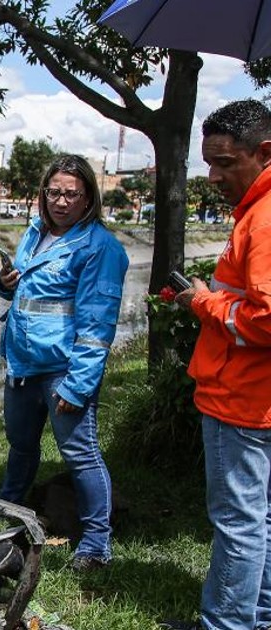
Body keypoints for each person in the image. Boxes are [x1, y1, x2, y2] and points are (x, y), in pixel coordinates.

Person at [160, 99, 271, 630]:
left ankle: (226, 624)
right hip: (256, 397)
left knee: (238, 522)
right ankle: (260, 616)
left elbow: (268, 319)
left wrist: (202, 301)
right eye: (209, 162)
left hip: (242, 400)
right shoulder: (255, 211)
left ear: (263, 152)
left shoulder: (265, 218)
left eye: (226, 162)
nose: (214, 175)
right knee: (262, 519)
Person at [0, 154, 127, 573]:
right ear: (43, 194)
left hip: (63, 370)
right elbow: (30, 297)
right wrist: (5, 285)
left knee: (80, 454)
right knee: (20, 443)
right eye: (54, 192)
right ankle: (9, 507)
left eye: (72, 194)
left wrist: (79, 384)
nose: (61, 201)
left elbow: (97, 323)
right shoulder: (35, 233)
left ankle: (95, 544)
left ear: (88, 197)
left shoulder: (99, 247)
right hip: (23, 363)